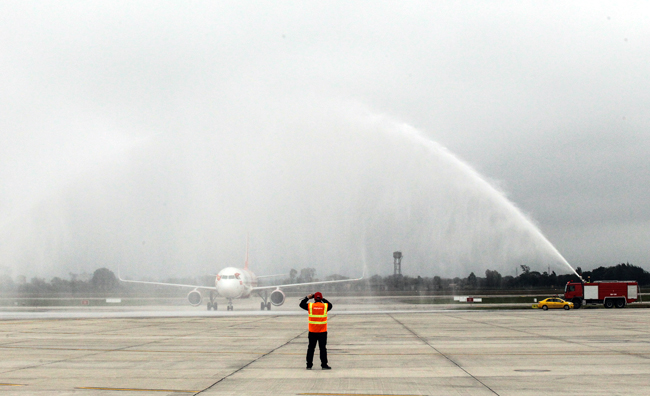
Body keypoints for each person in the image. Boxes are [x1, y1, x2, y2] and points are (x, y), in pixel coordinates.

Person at [300, 292, 332, 370]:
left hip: (312, 332)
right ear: (321, 298)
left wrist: (307, 297)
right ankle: (324, 365)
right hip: (322, 332)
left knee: (311, 348)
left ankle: (309, 365)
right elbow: (330, 305)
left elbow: (301, 304)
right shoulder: (325, 306)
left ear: (314, 298)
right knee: (323, 348)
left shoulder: (310, 306)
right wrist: (322, 299)